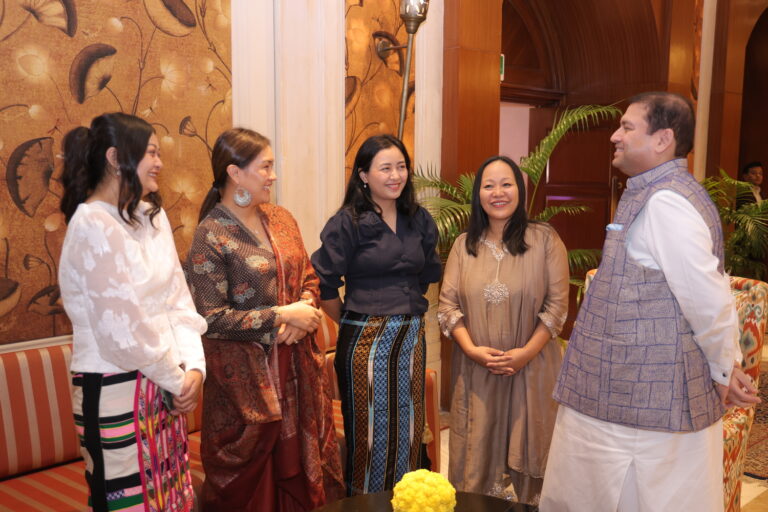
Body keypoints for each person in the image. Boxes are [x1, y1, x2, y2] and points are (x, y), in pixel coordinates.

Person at [540, 92, 761, 512]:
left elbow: (707, 297)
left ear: (662, 140)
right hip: (623, 397)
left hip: (646, 408)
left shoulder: (665, 203)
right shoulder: (653, 192)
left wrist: (723, 368)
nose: (614, 136)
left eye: (627, 127)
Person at [185, 128, 344, 511]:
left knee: (304, 477)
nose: (273, 175)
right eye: (266, 166)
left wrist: (301, 313)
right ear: (235, 173)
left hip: (298, 372)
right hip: (247, 389)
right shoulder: (211, 235)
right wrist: (280, 315)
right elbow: (211, 318)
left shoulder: (281, 218)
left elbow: (308, 275)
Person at [58, 112, 207, 511]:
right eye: (151, 153)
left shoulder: (150, 217)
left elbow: (178, 299)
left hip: (164, 385)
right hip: (114, 387)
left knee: (170, 498)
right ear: (114, 157)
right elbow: (121, 331)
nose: (159, 162)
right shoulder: (91, 222)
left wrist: (193, 368)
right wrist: (177, 380)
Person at [311, 134, 442, 495]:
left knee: (410, 428)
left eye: (401, 167)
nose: (395, 175)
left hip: (411, 339)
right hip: (365, 342)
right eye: (386, 168)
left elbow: (428, 274)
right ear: (364, 175)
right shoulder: (347, 222)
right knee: (371, 436)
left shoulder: (419, 220)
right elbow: (322, 280)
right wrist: (353, 320)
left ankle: (408, 501)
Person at [437, 156, 569, 506]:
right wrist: (472, 350)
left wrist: (524, 354)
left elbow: (556, 309)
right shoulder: (464, 245)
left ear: (520, 191)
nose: (498, 192)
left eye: (506, 184)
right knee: (476, 458)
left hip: (533, 369)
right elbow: (447, 307)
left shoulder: (544, 240)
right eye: (489, 185)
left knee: (531, 458)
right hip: (477, 371)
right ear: (478, 193)